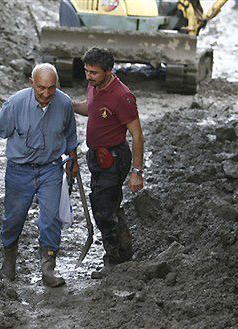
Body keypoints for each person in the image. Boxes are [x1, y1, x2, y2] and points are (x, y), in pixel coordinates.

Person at [0, 63, 78, 287]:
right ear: (31, 84)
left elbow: (70, 135)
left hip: (50, 169)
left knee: (50, 219)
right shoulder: (16, 103)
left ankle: (48, 268)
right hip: (20, 171)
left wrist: (73, 163)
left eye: (51, 88)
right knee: (13, 219)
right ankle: (9, 259)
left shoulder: (64, 103)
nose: (46, 94)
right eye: (41, 88)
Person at [72, 47, 144, 278]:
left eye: (93, 72)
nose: (88, 76)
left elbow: (137, 135)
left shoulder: (122, 96)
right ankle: (123, 253)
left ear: (108, 71)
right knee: (108, 206)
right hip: (97, 157)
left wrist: (137, 172)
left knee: (104, 211)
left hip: (113, 159)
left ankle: (114, 262)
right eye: (86, 71)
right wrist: (70, 105)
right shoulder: (95, 87)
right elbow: (90, 108)